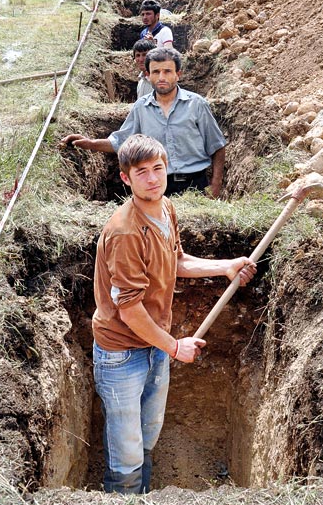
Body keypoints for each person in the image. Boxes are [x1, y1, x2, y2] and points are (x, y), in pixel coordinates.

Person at [92, 133, 256, 494]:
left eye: (158, 169)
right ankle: (124, 494)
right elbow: (131, 310)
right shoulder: (125, 233)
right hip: (121, 353)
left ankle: (144, 493)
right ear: (125, 179)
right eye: (142, 173)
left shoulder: (165, 208)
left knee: (148, 432)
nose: (153, 179)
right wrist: (174, 347)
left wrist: (225, 266)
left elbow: (177, 260)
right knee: (127, 449)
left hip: (154, 346)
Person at [61, 47, 226, 196]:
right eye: (156, 72)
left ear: (178, 74)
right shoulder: (141, 107)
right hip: (158, 187)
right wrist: (90, 143)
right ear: (148, 75)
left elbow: (217, 146)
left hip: (195, 185)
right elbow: (121, 141)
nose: (161, 77)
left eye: (167, 71)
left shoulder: (196, 105)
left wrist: (216, 184)